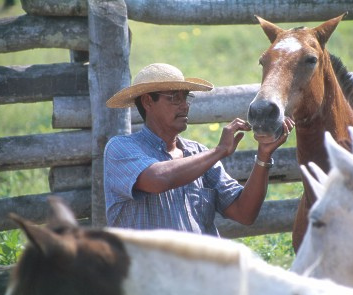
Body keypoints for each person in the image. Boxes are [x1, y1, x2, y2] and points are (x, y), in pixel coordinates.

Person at [104, 63, 294, 236]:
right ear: (147, 102)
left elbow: (244, 213)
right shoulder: (120, 148)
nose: (184, 105)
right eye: (174, 98)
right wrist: (218, 151)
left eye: (185, 97)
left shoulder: (197, 152)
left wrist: (264, 155)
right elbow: (159, 179)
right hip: (151, 272)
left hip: (202, 272)